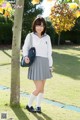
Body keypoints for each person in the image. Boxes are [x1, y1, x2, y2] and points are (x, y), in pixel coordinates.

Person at [22, 16, 53, 113]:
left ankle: (38, 106)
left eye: (42, 25)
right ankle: (28, 105)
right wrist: (25, 56)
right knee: (39, 88)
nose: (40, 27)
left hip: (45, 63)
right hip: (35, 63)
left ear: (44, 27)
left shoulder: (47, 37)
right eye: (38, 25)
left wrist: (50, 66)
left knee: (42, 88)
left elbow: (49, 52)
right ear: (34, 25)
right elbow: (25, 48)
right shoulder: (30, 36)